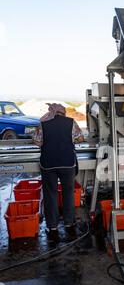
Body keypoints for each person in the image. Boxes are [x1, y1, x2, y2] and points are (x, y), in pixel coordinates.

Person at [33, 103, 84, 240]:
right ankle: (69, 223)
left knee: (50, 195)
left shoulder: (43, 123)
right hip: (67, 164)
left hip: (48, 165)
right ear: (63, 112)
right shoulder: (71, 122)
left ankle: (52, 226)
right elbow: (80, 138)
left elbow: (37, 142)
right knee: (68, 194)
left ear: (52, 112)